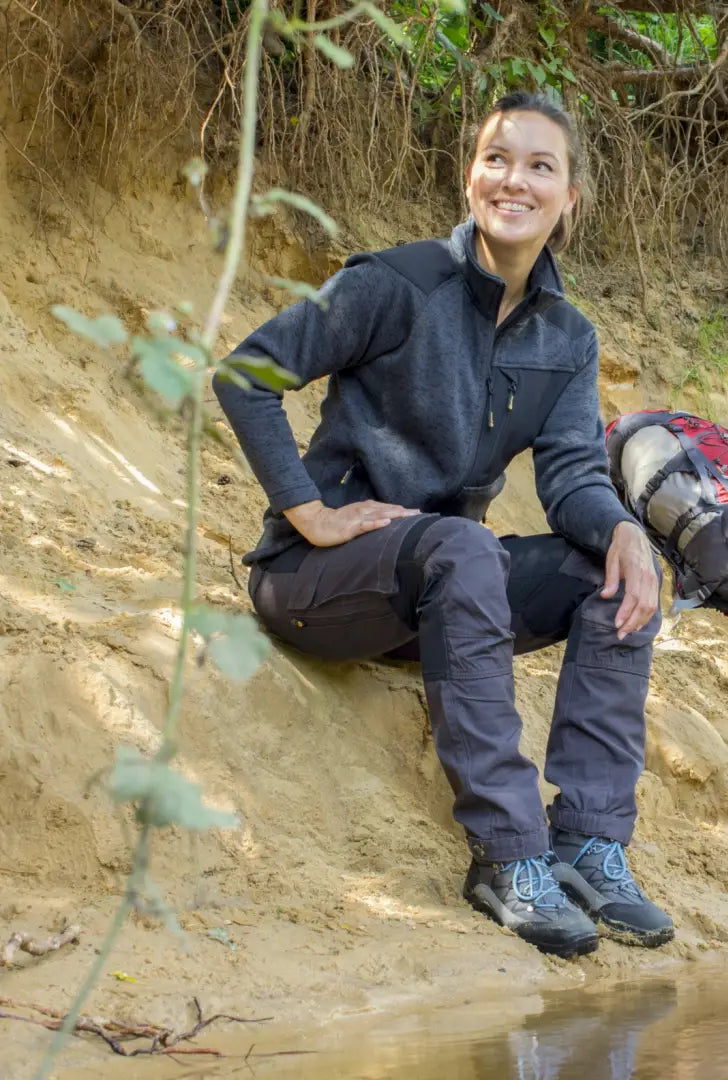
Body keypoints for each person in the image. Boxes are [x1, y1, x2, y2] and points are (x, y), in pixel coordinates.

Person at [214, 91, 674, 958]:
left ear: (570, 196)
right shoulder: (392, 284)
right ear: (471, 177)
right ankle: (509, 858)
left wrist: (622, 531)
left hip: (437, 600)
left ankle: (589, 839)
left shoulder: (568, 336)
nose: (516, 180)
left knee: (607, 576)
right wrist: (307, 512)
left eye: (542, 166)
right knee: (465, 549)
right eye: (498, 159)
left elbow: (572, 472)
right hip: (317, 587)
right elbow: (247, 375)